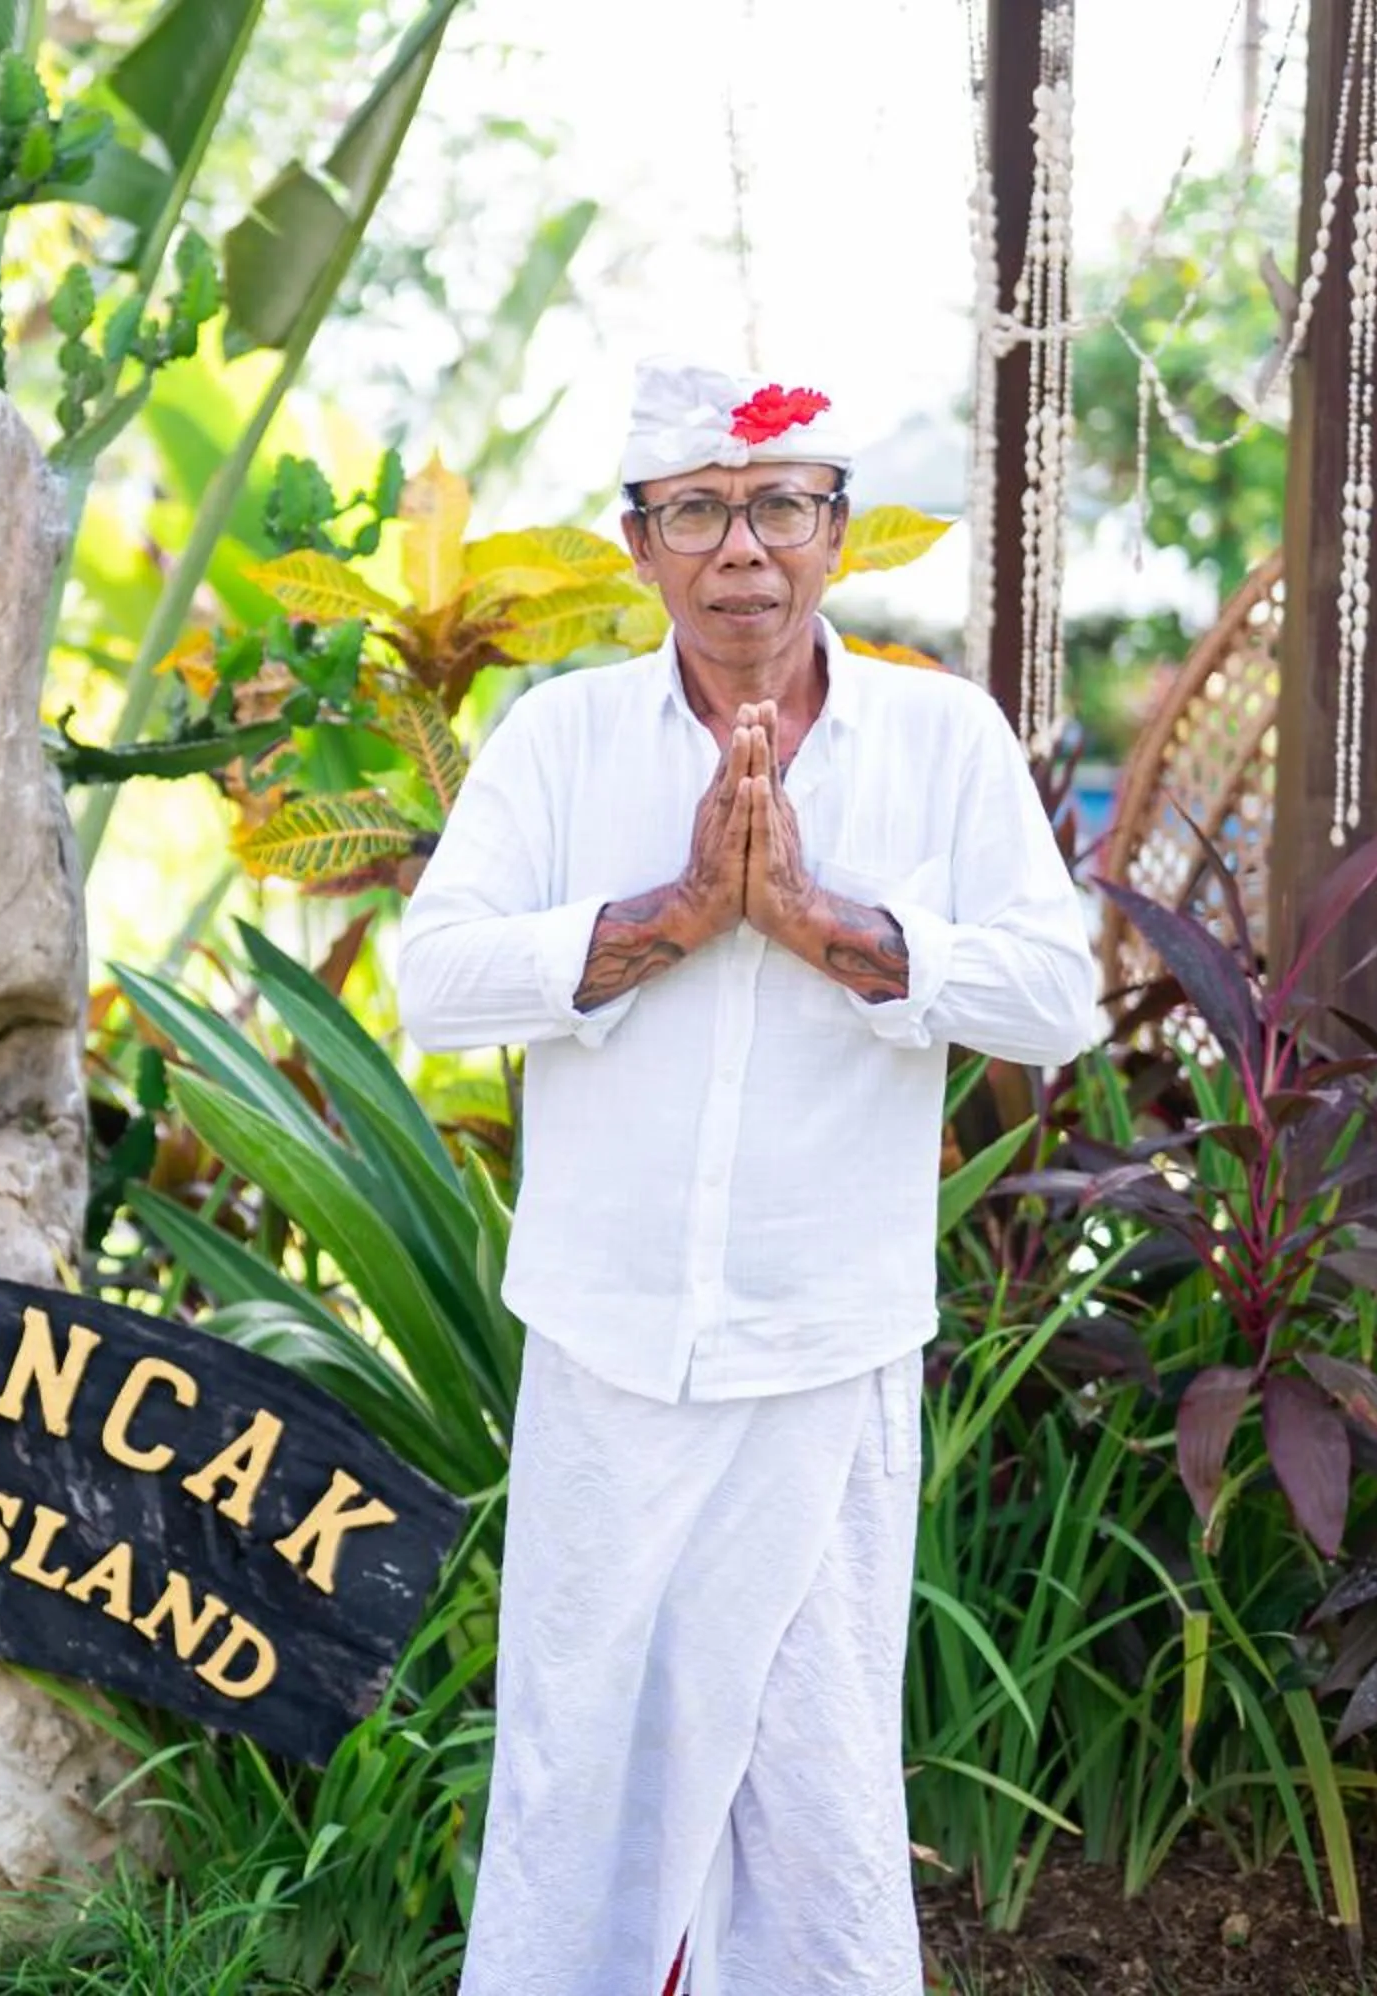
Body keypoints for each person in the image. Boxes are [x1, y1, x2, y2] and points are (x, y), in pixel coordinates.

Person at [395, 358, 1099, 1995]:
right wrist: (670, 921)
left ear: (837, 533)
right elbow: (437, 982)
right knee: (580, 1761)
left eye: (779, 507)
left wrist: (836, 932)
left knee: (817, 1775)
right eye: (699, 512)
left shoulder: (942, 738)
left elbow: (1053, 999)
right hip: (606, 1346)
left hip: (821, 1351)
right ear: (639, 544)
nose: (742, 553)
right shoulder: (561, 740)